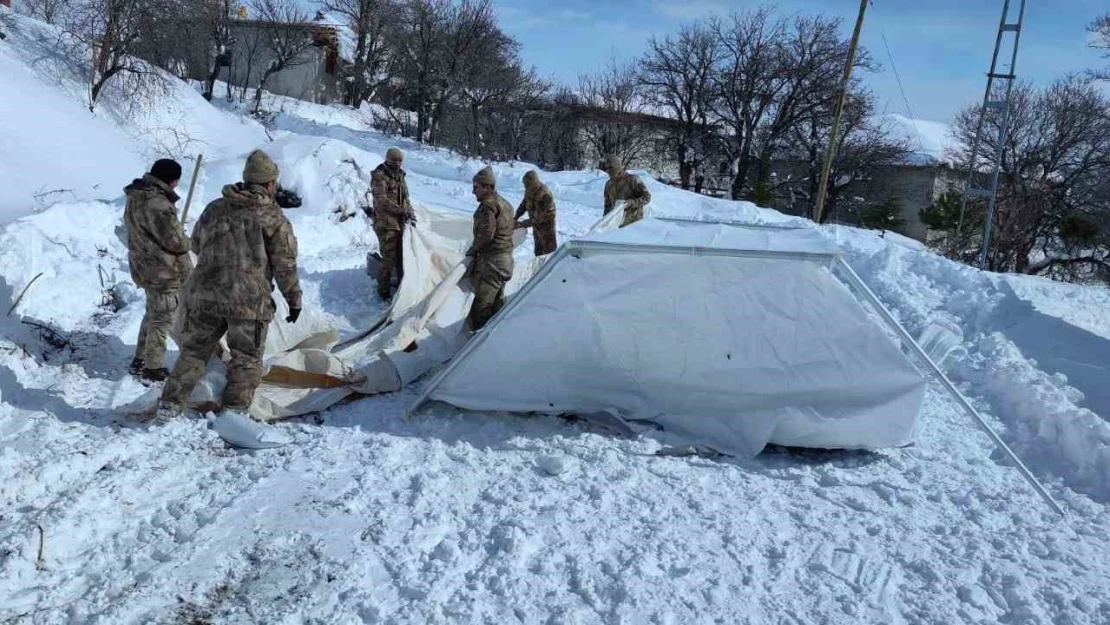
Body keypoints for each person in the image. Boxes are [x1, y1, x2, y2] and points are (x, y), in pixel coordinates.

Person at [155, 149, 301, 422]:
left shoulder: (214, 208)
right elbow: (285, 265)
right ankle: (234, 413)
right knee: (245, 358)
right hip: (249, 303)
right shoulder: (273, 218)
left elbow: (196, 244)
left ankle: (170, 404)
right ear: (270, 184)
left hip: (206, 296)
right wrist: (294, 299)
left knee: (194, 352)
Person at [123, 159, 192, 383]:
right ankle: (153, 368)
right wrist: (187, 240)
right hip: (162, 270)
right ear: (171, 180)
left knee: (153, 313)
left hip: (143, 265)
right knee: (162, 318)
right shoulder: (159, 204)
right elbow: (175, 242)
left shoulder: (136, 196)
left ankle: (140, 358)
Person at [466, 166, 514, 330]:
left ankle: (478, 347)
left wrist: (472, 251)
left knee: (481, 309)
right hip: (505, 261)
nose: (473, 192)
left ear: (487, 187)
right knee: (496, 305)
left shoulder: (488, 206)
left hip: (492, 263)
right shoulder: (505, 203)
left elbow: (486, 235)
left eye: (476, 187)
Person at [370, 147, 414, 300]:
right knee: (389, 258)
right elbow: (381, 201)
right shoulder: (380, 176)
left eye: (400, 160)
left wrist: (411, 214)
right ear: (387, 159)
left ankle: (401, 286)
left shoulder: (400, 176)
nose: (397, 163)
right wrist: (402, 211)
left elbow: (406, 198)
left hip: (399, 223)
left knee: (402, 256)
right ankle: (383, 291)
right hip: (385, 224)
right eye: (394, 160)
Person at [513, 170, 557, 256]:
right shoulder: (529, 189)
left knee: (549, 254)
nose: (526, 187)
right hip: (536, 225)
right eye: (525, 185)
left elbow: (538, 218)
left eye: (527, 185)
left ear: (534, 183)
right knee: (538, 251)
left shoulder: (544, 195)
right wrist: (516, 217)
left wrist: (521, 224)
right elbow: (524, 204)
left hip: (546, 226)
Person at [600, 155, 652, 228]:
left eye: (611, 168)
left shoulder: (633, 180)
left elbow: (647, 198)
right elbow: (607, 206)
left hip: (634, 225)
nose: (608, 171)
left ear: (617, 167)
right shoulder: (608, 184)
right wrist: (605, 223)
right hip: (616, 226)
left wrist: (631, 203)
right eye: (607, 169)